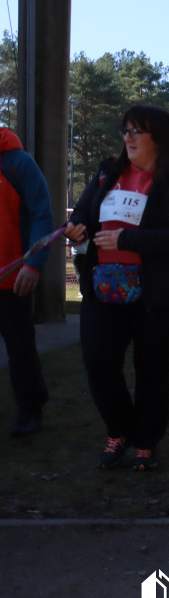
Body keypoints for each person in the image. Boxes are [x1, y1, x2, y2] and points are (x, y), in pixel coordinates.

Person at [65, 105, 169, 471]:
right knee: (98, 361)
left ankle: (146, 441)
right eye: (124, 131)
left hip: (160, 294)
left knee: (151, 368)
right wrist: (76, 227)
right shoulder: (108, 173)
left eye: (135, 132)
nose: (126, 138)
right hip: (105, 287)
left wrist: (128, 239)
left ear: (157, 138)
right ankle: (120, 430)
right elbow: (82, 212)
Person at [0, 127, 53, 436]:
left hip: (13, 281)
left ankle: (30, 410)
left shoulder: (19, 163)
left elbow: (42, 217)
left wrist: (33, 264)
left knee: (20, 352)